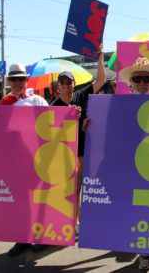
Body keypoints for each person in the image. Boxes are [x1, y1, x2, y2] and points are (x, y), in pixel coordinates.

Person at [0, 64, 48, 257]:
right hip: (16, 162)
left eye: (21, 79)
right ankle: (21, 239)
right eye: (14, 79)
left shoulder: (36, 100)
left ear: (26, 81)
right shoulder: (5, 103)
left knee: (38, 200)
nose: (17, 83)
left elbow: (52, 121)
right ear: (9, 82)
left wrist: (74, 114)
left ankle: (39, 237)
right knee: (21, 202)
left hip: (36, 158)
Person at [120, 57, 149, 270]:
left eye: (146, 79)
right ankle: (144, 253)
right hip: (132, 165)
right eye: (137, 79)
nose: (141, 83)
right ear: (131, 82)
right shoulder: (119, 105)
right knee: (138, 208)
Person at [50, 49, 106, 224]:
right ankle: (69, 222)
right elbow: (49, 133)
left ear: (74, 84)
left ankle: (80, 222)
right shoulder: (53, 106)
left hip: (82, 152)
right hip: (64, 154)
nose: (66, 86)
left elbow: (101, 81)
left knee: (82, 187)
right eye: (62, 83)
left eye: (69, 82)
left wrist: (100, 57)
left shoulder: (81, 96)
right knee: (68, 189)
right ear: (58, 86)